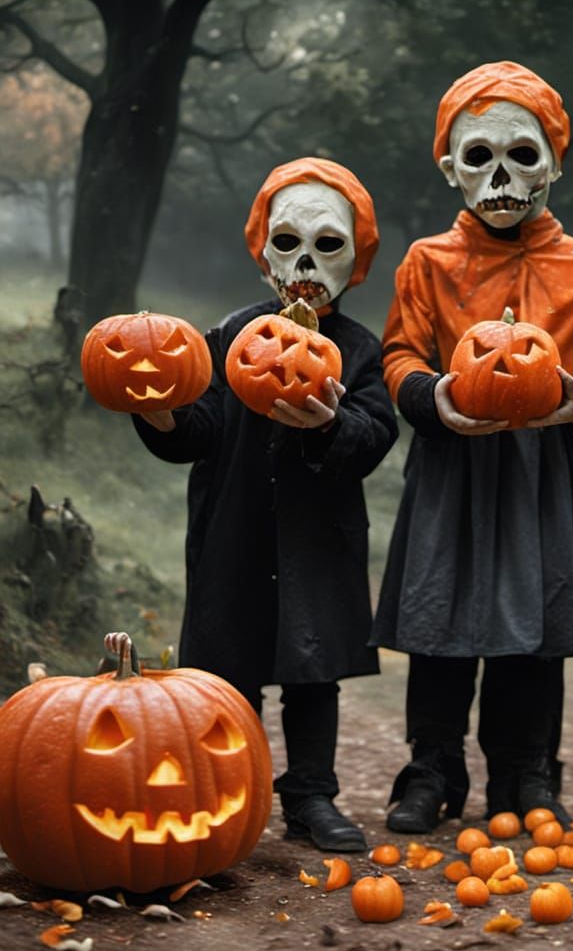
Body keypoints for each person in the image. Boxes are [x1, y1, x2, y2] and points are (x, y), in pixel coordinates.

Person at [371, 61, 573, 833]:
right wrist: (434, 398)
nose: (501, 175)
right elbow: (400, 355)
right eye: (478, 157)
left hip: (542, 472)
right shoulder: (427, 261)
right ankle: (431, 770)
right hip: (456, 467)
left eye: (522, 155)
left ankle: (527, 773)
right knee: (438, 626)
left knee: (535, 632)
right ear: (451, 169)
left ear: (554, 161)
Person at [130, 158, 398, 852]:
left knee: (314, 675)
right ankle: (231, 794)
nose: (305, 262)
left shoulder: (359, 351)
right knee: (231, 673)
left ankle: (311, 797)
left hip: (316, 539)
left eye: (327, 244)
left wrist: (333, 425)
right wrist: (159, 414)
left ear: (356, 258)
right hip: (236, 530)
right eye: (288, 243)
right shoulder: (229, 336)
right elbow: (200, 430)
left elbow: (375, 438)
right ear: (263, 253)